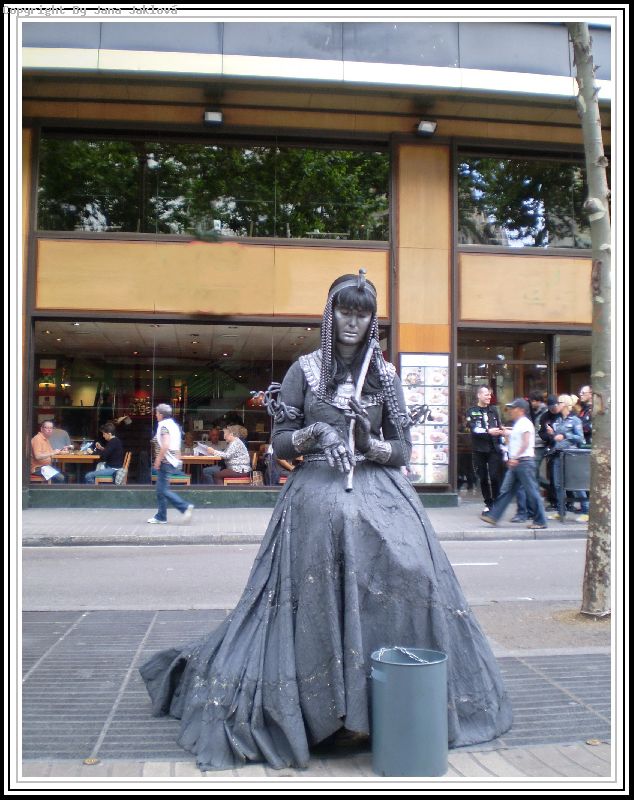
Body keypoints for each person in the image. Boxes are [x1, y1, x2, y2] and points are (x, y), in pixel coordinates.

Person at [140, 270, 512, 771]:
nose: (353, 321)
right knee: (328, 557)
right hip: (316, 487)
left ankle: (384, 703)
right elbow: (280, 440)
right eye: (345, 311)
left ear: (371, 319)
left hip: (380, 489)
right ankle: (326, 711)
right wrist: (319, 432)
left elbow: (402, 449)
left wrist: (365, 440)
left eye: (362, 313)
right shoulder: (306, 369)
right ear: (330, 314)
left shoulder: (385, 376)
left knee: (413, 570)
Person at [480, 399, 548, 530]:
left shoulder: (525, 423)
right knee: (507, 490)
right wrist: (505, 433)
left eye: (513, 408)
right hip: (517, 462)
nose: (510, 411)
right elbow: (516, 437)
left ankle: (541, 521)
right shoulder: (519, 424)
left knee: (531, 492)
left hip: (524, 462)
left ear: (521, 410)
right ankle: (494, 516)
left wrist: (515, 457)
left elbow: (526, 443)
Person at [543, 394, 588, 522]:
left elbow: (580, 438)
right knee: (558, 485)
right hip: (558, 455)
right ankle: (561, 511)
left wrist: (565, 435)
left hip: (571, 456)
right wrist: (553, 433)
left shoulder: (575, 420)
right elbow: (558, 438)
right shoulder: (559, 420)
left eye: (559, 402)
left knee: (575, 483)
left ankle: (586, 511)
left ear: (566, 404)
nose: (557, 405)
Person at [147, 403, 194, 525]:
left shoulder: (164, 427)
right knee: (161, 490)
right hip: (171, 460)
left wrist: (158, 459)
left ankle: (184, 507)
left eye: (157, 413)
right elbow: (176, 444)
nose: (156, 415)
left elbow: (166, 444)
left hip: (165, 461)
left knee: (162, 490)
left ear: (161, 414)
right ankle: (161, 516)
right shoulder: (173, 425)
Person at [465, 385, 505, 513]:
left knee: (494, 476)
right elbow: (473, 429)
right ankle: (488, 503)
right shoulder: (471, 411)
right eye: (486, 394)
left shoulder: (494, 410)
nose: (489, 397)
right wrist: (488, 431)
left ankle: (497, 502)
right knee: (482, 477)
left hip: (494, 448)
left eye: (490, 395)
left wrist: (502, 437)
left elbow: (499, 426)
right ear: (479, 395)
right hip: (479, 449)